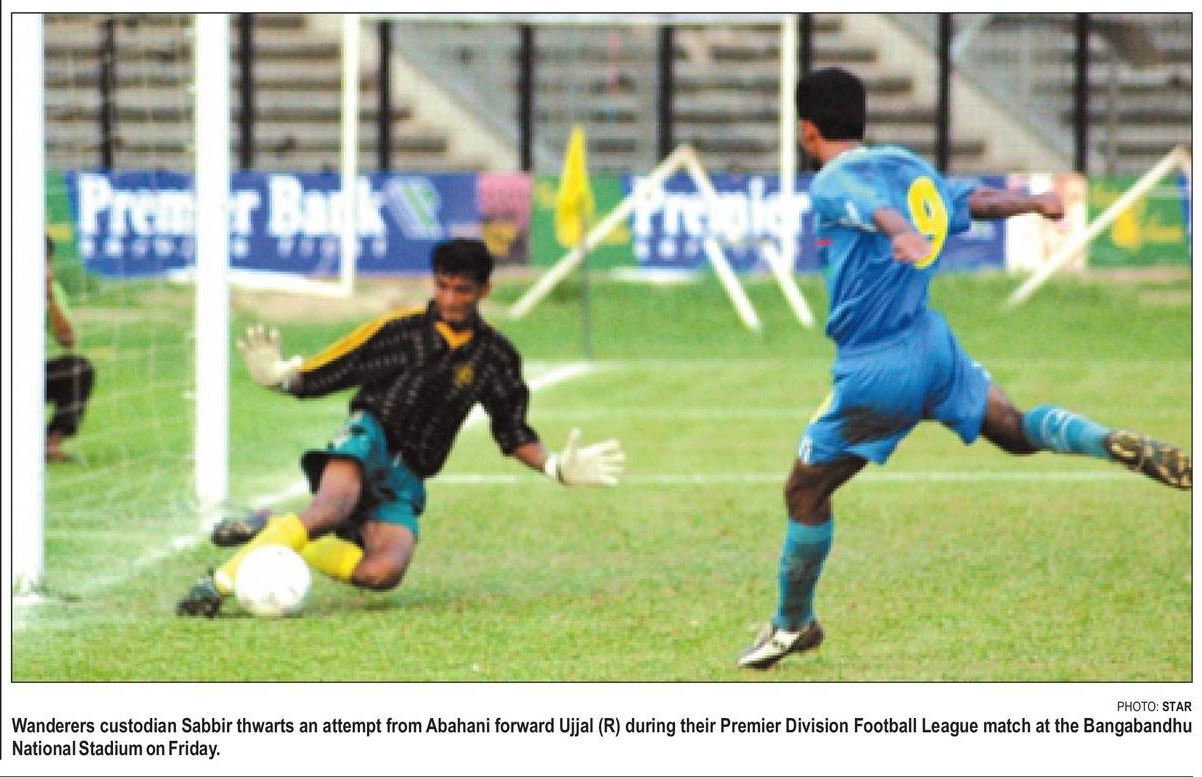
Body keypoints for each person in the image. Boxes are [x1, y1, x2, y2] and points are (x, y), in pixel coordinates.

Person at [737, 68, 1191, 669]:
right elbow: (972, 201)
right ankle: (1105, 441)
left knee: (805, 490)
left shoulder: (832, 180)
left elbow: (867, 207)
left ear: (807, 130)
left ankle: (793, 624)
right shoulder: (906, 166)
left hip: (879, 367)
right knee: (1014, 428)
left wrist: (900, 231)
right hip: (933, 345)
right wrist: (1033, 203)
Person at [177, 238, 625, 616]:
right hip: (368, 437)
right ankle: (216, 586)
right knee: (330, 509)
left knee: (383, 572)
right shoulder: (400, 331)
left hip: (408, 474)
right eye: (443, 286)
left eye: (463, 290)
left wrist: (555, 467)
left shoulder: (496, 357)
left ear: (484, 290)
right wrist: (282, 379)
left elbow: (513, 432)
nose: (450, 299)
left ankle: (271, 527)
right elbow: (333, 369)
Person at [45, 235, 95, 463]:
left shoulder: (52, 291)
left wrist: (49, 298)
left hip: (35, 373)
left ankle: (50, 444)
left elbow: (67, 340)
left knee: (78, 369)